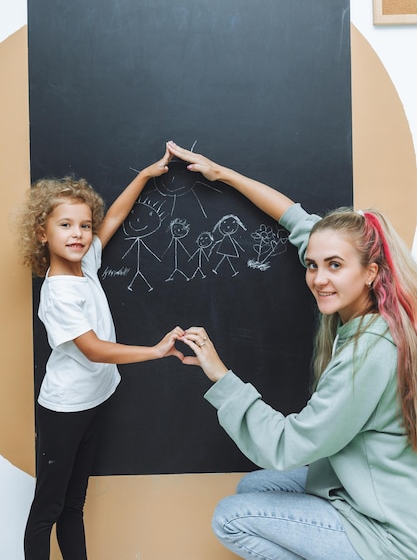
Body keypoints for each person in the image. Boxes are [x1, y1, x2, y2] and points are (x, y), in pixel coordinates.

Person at [166, 141, 417, 560]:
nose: (318, 278)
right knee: (254, 487)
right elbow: (296, 220)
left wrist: (220, 375)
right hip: (366, 493)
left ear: (371, 272)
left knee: (231, 517)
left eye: (334, 265)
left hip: (388, 534)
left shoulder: (367, 352)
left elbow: (288, 446)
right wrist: (222, 173)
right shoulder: (368, 303)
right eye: (313, 265)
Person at [17, 147, 184, 560]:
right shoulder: (58, 292)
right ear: (43, 233)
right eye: (65, 225)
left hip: (93, 402)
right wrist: (155, 351)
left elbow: (114, 218)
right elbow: (92, 350)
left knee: (74, 507)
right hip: (65, 411)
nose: (78, 234)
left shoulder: (85, 264)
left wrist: (145, 175)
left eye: (83, 226)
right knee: (49, 509)